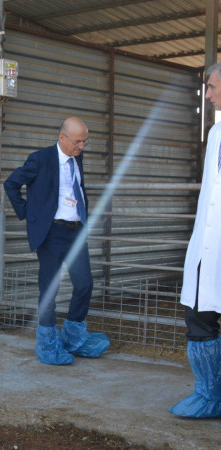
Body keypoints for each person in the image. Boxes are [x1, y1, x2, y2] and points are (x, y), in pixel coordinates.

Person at [4, 116, 109, 366]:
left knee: (84, 284)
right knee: (49, 288)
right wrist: (29, 214)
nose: (81, 146)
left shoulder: (77, 158)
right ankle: (48, 342)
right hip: (51, 233)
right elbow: (11, 184)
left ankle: (73, 337)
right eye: (77, 141)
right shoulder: (40, 159)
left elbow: (76, 190)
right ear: (62, 137)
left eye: (85, 142)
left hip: (75, 232)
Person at [170, 63, 221, 418]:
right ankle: (210, 394)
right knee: (199, 316)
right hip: (209, 243)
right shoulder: (216, 133)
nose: (207, 93)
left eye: (212, 85)